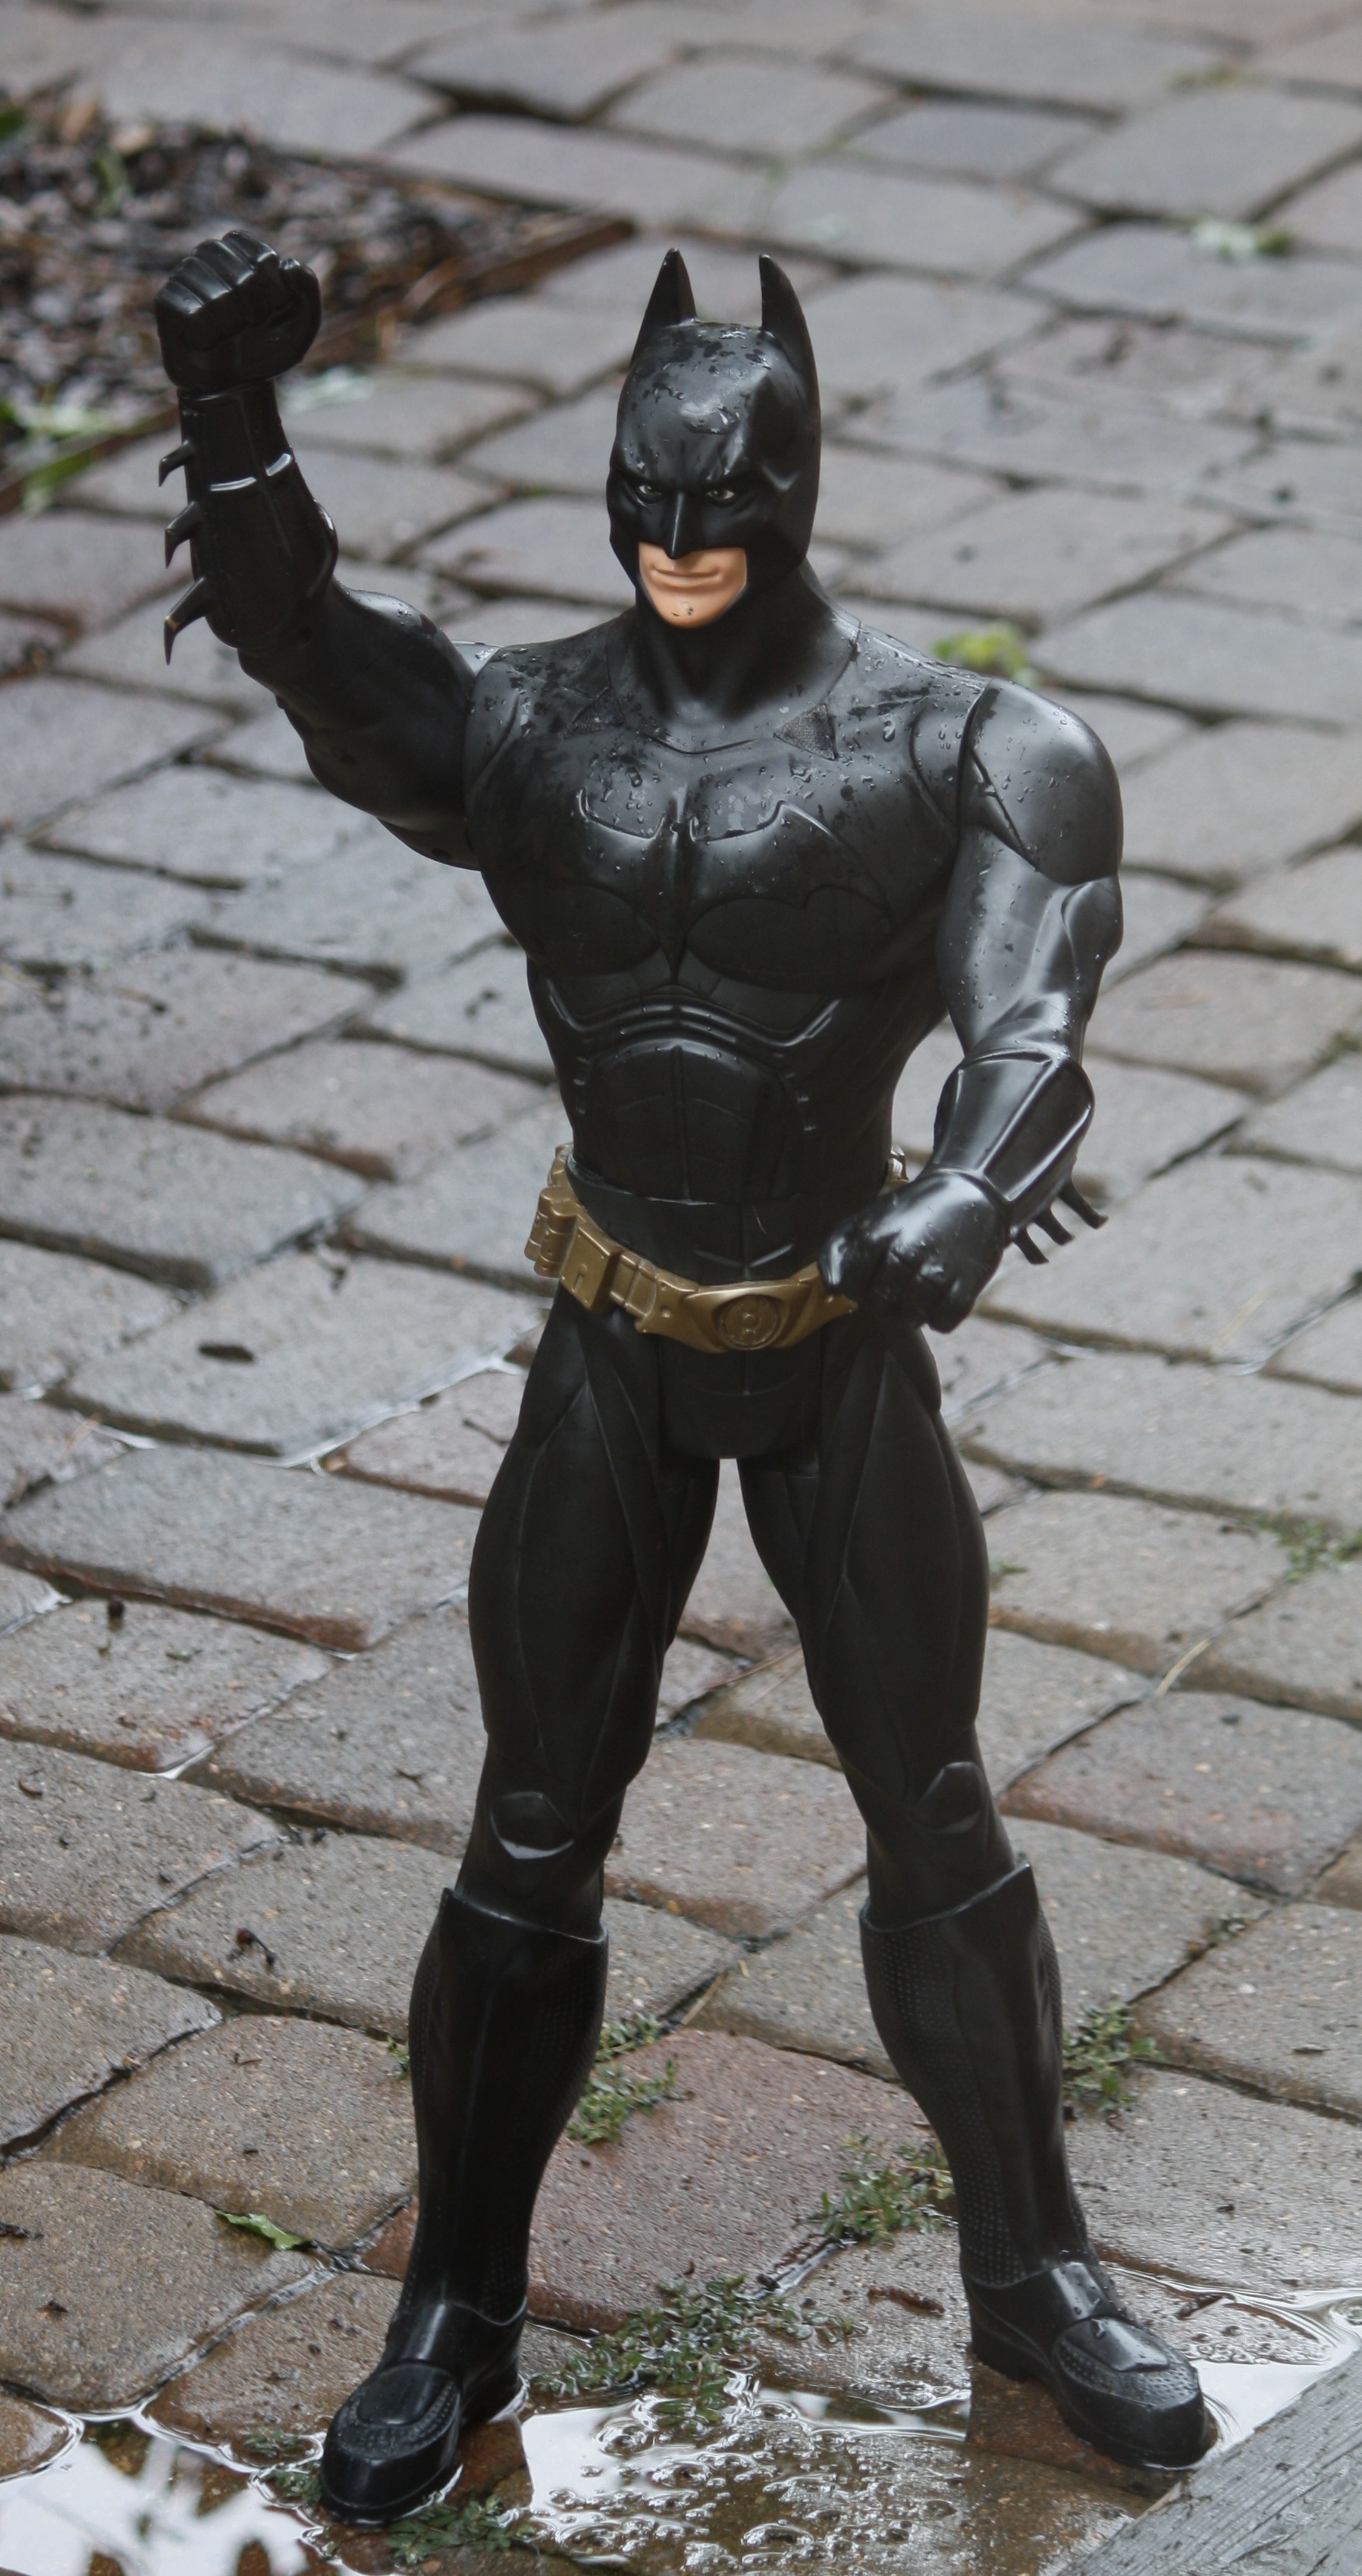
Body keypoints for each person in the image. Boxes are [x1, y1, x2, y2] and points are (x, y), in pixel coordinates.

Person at [154, 231, 1207, 2524]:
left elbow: (1032, 1011)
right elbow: (320, 653)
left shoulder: (972, 746)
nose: (684, 534)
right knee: (532, 1825)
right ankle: (458, 2306)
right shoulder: (539, 727)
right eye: (650, 493)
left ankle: (1029, 2274)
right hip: (612, 1337)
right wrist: (232, 426)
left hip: (833, 1345)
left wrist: (965, 1186)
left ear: (801, 486)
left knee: (932, 1809)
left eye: (729, 498)